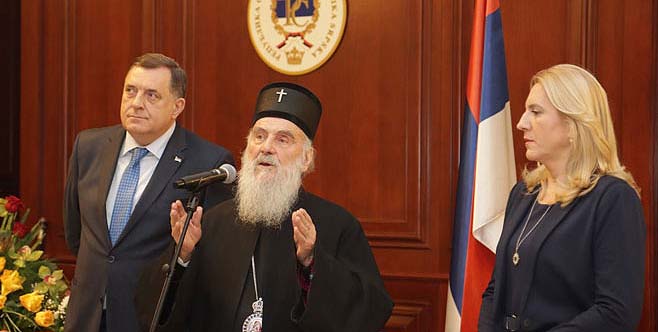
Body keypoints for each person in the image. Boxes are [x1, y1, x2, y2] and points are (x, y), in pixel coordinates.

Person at [139, 82, 393, 331]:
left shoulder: (337, 225)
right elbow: (157, 312)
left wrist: (312, 262)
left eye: (283, 140)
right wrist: (183, 256)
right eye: (259, 136)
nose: (266, 147)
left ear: (306, 159)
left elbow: (369, 310)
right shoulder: (213, 222)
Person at [63, 53, 235, 332]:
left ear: (177, 107)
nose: (136, 103)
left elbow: (213, 259)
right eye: (130, 90)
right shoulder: (89, 146)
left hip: (149, 318)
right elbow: (75, 232)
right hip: (86, 316)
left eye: (152, 95)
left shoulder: (208, 163)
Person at [478, 64, 646, 331]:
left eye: (536, 112)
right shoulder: (522, 194)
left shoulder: (613, 199)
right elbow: (496, 290)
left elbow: (616, 311)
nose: (521, 123)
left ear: (573, 125)